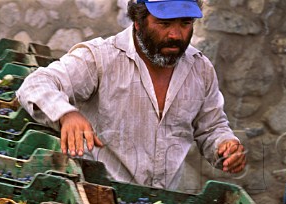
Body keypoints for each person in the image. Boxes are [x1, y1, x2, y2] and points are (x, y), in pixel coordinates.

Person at [16, 0, 246, 189]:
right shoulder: (100, 58)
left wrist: (224, 146)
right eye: (164, 23)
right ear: (138, 21)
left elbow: (211, 127)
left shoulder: (200, 70)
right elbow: (36, 84)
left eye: (185, 23)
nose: (176, 34)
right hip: (99, 195)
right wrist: (66, 114)